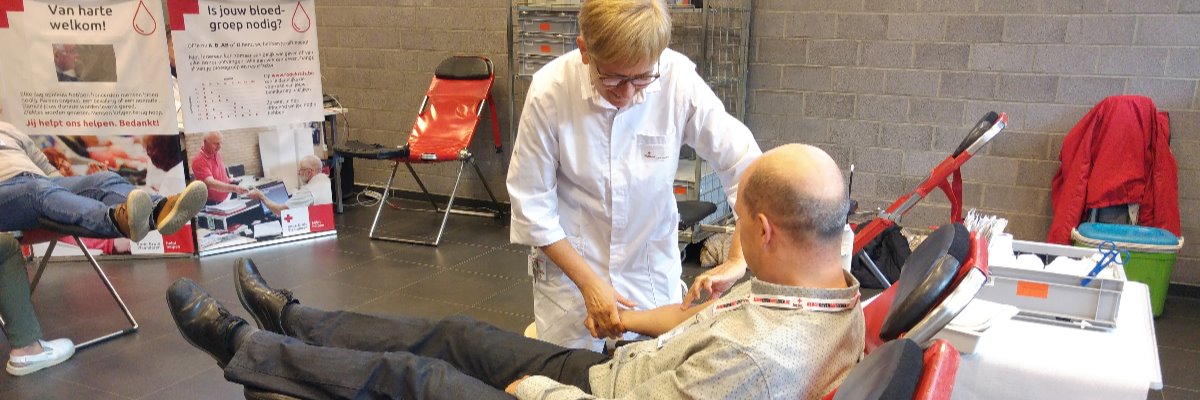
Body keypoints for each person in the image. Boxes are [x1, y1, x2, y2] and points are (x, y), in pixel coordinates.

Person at [168, 144, 863, 399]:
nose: (733, 240)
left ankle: (247, 349)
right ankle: (295, 320)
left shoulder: (754, 359)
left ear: (765, 230)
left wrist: (536, 389)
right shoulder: (825, 274)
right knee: (457, 334)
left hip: (596, 397)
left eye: (740, 226)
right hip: (615, 375)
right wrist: (624, 315)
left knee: (416, 378)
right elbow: (692, 317)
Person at [506, 0, 762, 351]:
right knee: (571, 371)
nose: (626, 93)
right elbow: (532, 205)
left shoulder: (677, 79)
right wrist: (588, 283)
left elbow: (747, 168)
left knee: (655, 367)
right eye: (612, 78)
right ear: (584, 50)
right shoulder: (551, 90)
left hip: (649, 270)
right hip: (571, 275)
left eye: (641, 78)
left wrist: (736, 259)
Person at [0, 121, 209, 242]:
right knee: (37, 189)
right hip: (9, 192)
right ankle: (115, 219)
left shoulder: (8, 130)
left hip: (39, 181)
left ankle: (160, 209)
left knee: (103, 179)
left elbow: (44, 167)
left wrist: (72, 187)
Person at [246, 155, 332, 215]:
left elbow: (280, 212)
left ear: (309, 172)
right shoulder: (327, 180)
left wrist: (261, 196)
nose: (299, 173)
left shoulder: (308, 191)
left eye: (301, 170)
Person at [190, 131, 248, 205]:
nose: (220, 146)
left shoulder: (216, 153)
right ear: (205, 142)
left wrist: (228, 180)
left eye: (220, 143)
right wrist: (234, 188)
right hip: (213, 205)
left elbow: (219, 174)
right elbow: (211, 183)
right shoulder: (199, 160)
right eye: (216, 143)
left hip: (225, 199)